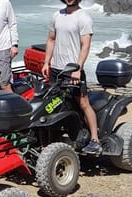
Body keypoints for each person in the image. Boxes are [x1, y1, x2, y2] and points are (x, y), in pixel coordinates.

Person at [40, 0, 102, 155]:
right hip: (56, 69)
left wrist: (78, 68)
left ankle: (95, 140)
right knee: (53, 104)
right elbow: (51, 40)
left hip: (73, 69)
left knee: (83, 103)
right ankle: (53, 141)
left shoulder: (83, 17)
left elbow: (85, 45)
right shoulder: (57, 15)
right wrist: (46, 62)